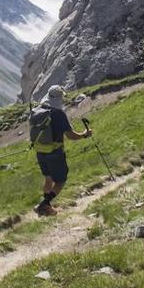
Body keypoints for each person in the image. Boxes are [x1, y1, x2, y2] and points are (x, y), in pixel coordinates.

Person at [32, 85, 93, 217]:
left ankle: (46, 209)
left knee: (48, 179)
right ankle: (44, 204)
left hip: (40, 151)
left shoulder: (38, 110)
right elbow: (70, 136)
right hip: (54, 152)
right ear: (59, 98)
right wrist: (84, 135)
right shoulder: (58, 114)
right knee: (60, 180)